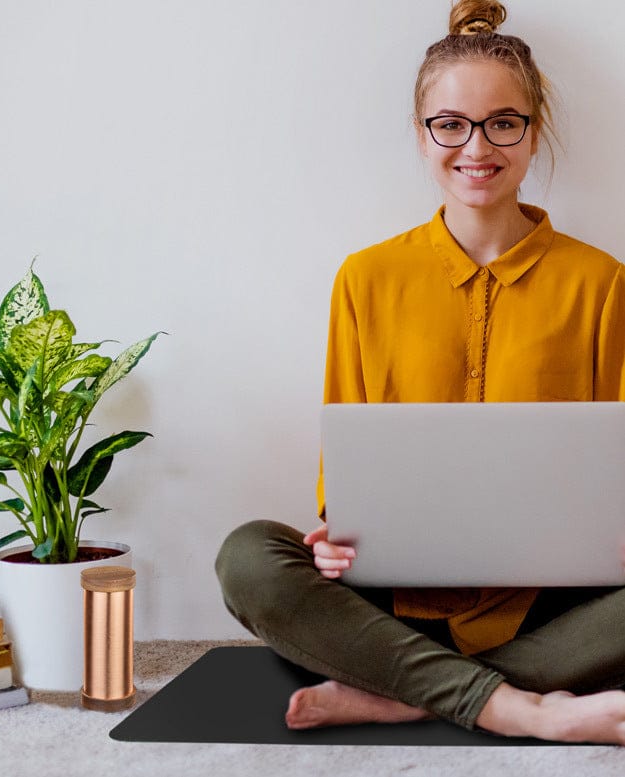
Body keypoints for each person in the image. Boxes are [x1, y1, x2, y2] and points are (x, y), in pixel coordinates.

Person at [215, 0, 625, 745]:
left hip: (551, 603)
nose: (477, 147)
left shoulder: (600, 282)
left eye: (504, 122)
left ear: (534, 133)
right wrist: (334, 535)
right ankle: (521, 704)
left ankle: (404, 688)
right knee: (247, 554)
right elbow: (341, 473)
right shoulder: (364, 278)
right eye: (451, 124)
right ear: (421, 132)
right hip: (389, 602)